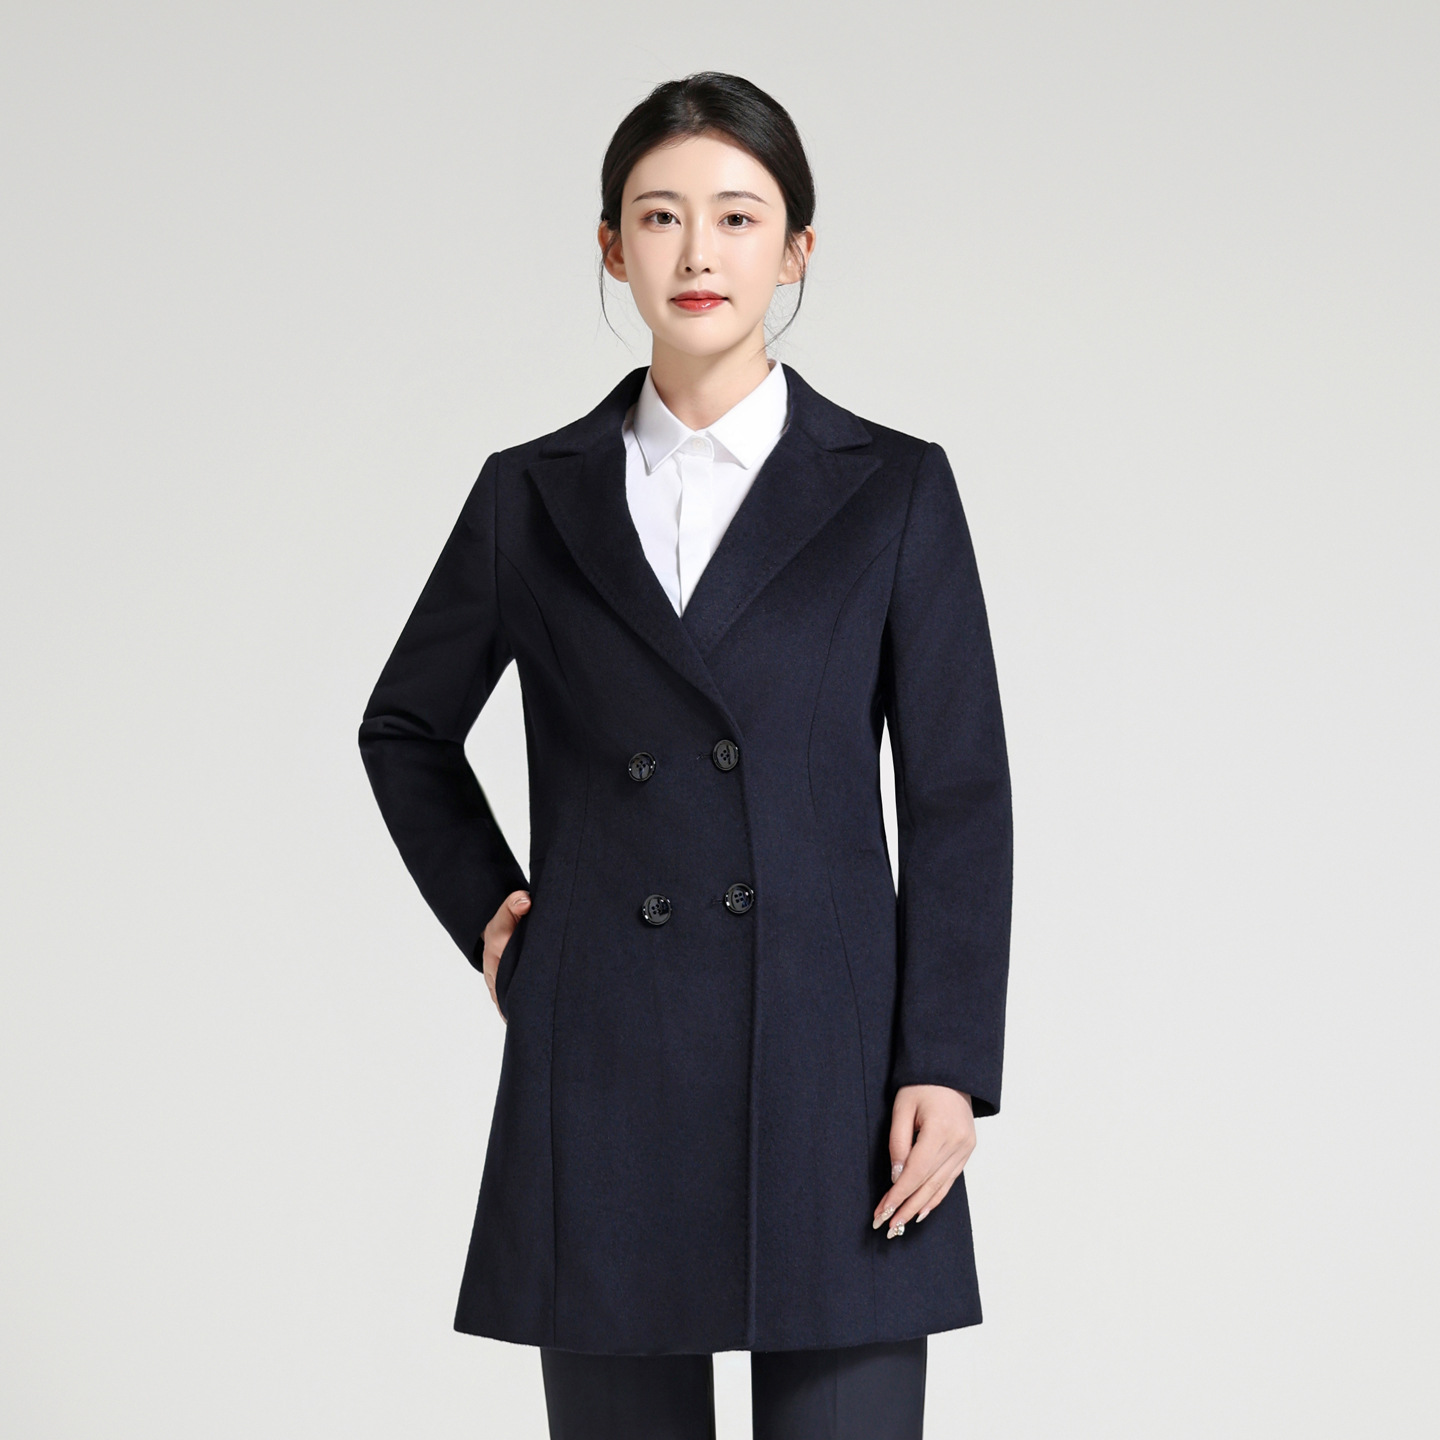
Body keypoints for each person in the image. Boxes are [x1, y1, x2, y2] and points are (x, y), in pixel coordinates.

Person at [359, 71, 1013, 1440]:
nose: (698, 251)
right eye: (659, 217)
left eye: (737, 216)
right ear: (612, 248)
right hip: (606, 1050)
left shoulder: (894, 488)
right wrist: (496, 915)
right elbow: (406, 727)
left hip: (835, 1071)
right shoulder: (530, 495)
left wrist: (946, 1062)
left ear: (798, 250)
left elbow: (957, 794)